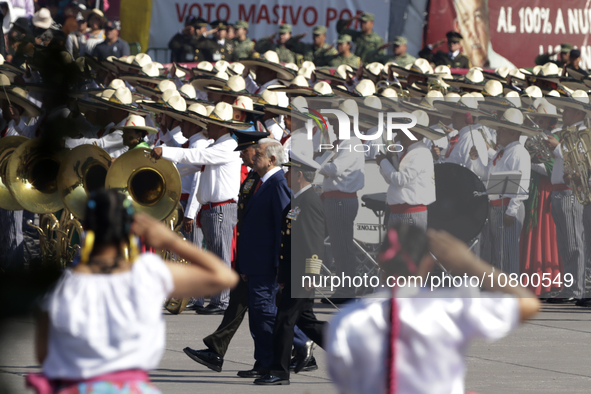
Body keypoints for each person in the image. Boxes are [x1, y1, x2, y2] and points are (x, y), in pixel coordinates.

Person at [30, 189, 238, 394]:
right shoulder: (148, 273)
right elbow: (224, 276)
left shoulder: (57, 286)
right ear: (132, 228)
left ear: (85, 226)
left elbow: (44, 354)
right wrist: (170, 241)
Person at [325, 223, 540, 394]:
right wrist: (470, 263)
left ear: (380, 264)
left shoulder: (346, 320)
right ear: (428, 265)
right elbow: (529, 303)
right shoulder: (452, 308)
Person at [152, 102, 249, 314]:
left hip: (221, 208)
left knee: (220, 254)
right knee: (215, 254)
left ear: (223, 127)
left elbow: (195, 157)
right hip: (212, 208)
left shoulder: (228, 146)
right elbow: (189, 167)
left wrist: (165, 152)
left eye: (212, 124)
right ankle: (217, 300)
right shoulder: (217, 146)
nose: (207, 127)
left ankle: (221, 302)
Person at [255, 152, 327, 385]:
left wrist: (310, 274)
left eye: (289, 171)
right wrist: (283, 276)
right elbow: (289, 242)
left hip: (303, 275)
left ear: (299, 175)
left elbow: (314, 242)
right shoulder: (298, 201)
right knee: (307, 323)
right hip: (293, 274)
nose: (286, 174)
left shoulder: (310, 202)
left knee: (284, 321)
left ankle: (279, 372)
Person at [469, 108, 532, 275]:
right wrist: (475, 160)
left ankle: (511, 293)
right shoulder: (502, 152)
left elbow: (522, 185)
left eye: (501, 129)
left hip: (507, 207)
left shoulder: (519, 153)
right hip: (498, 206)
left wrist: (511, 211)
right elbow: (486, 174)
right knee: (500, 253)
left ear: (512, 131)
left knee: (507, 254)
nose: (497, 132)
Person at [452, 0, 515, 68]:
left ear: (488, 21)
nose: (474, 34)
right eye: (466, 20)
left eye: (478, 16)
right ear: (457, 28)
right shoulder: (453, 67)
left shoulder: (505, 68)